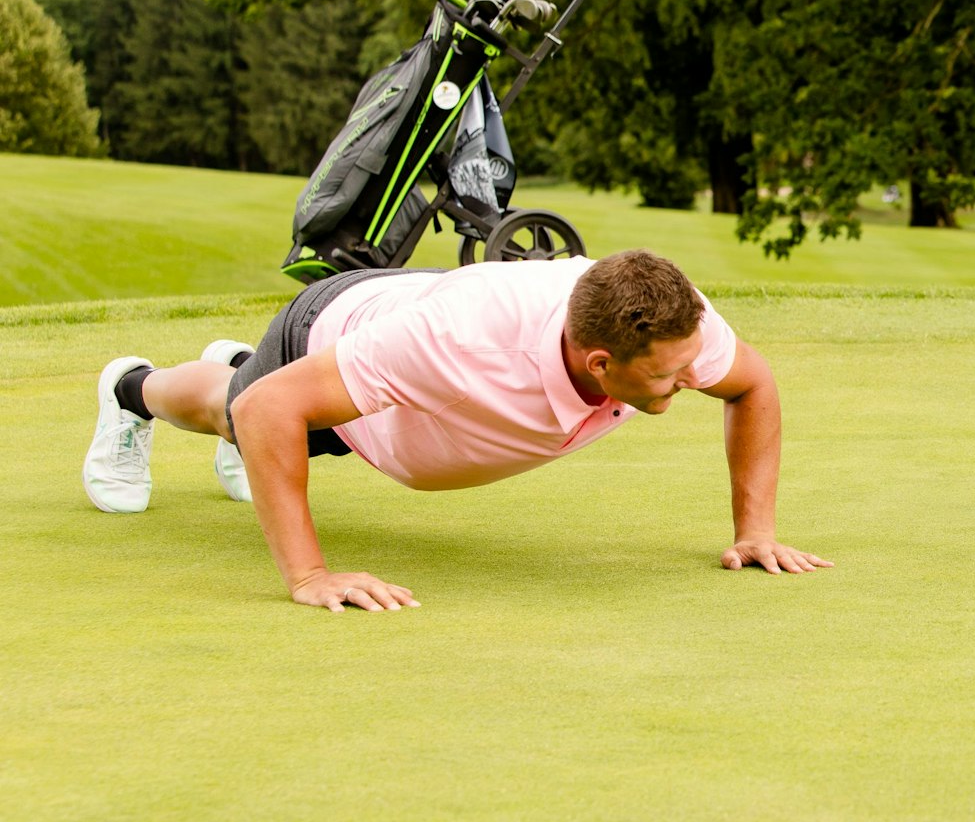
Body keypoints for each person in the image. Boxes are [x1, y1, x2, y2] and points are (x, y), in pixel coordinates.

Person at [83, 250, 832, 612]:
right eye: (670, 375)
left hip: (406, 343)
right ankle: (131, 389)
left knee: (260, 410)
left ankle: (240, 374)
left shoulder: (677, 321)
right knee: (236, 411)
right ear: (601, 363)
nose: (694, 377)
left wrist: (755, 531)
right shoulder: (459, 343)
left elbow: (752, 384)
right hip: (332, 331)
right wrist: (310, 578)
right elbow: (266, 412)